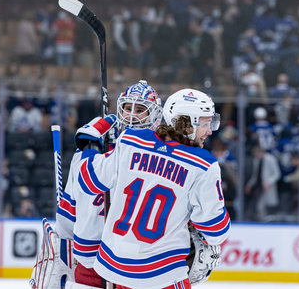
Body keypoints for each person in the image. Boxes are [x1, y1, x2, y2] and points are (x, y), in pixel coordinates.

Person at [75, 89, 230, 288]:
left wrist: (90, 146)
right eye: (206, 124)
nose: (210, 131)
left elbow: (89, 180)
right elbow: (216, 230)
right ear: (186, 123)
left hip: (113, 266)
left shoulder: (130, 140)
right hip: (161, 274)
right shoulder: (203, 164)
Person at [30, 80, 163, 289]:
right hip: (93, 264)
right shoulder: (93, 154)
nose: (131, 115)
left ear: (154, 114)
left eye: (140, 109)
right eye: (128, 108)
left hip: (138, 265)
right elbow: (67, 218)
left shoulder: (162, 159)